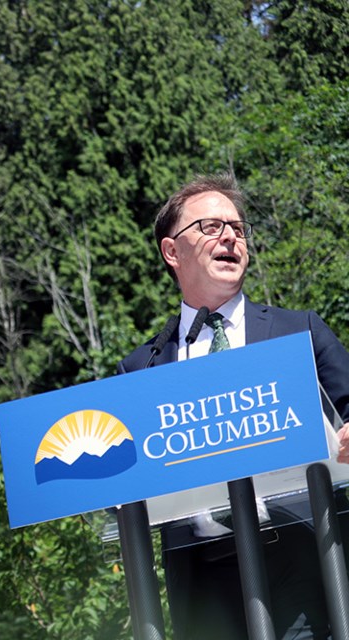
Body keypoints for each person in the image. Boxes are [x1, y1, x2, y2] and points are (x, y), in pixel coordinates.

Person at [118, 173, 349, 639]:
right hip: (204, 586)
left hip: (304, 561)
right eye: (209, 227)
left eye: (238, 229)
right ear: (171, 252)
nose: (230, 236)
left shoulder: (299, 331)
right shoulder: (140, 369)